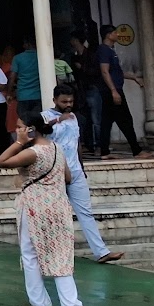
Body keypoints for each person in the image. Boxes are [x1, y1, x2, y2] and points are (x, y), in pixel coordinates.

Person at [0, 115, 90, 306]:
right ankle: (71, 301)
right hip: (58, 204)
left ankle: (39, 301)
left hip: (34, 206)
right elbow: (67, 177)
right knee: (61, 252)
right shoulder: (57, 148)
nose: (17, 130)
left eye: (20, 127)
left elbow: (1, 161)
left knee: (30, 254)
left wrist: (19, 143)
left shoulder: (32, 152)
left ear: (31, 129)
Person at [43, 84, 125, 264]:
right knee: (54, 214)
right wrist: (58, 120)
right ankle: (50, 252)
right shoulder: (45, 116)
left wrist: (81, 167)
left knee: (86, 212)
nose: (68, 104)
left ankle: (101, 252)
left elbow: (76, 143)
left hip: (75, 172)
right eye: (64, 101)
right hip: (53, 173)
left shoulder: (74, 118)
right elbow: (35, 133)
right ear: (54, 100)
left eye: (70, 101)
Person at [97, 24, 152, 159]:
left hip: (112, 90)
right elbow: (105, 72)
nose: (117, 35)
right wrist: (113, 91)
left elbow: (117, 72)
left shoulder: (111, 51)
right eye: (115, 33)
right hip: (112, 90)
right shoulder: (104, 50)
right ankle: (136, 150)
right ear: (108, 35)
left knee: (107, 121)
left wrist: (134, 77)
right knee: (125, 120)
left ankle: (104, 152)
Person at [65, 33, 103, 155]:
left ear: (77, 40)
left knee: (96, 119)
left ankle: (99, 145)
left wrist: (82, 68)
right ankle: (88, 144)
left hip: (92, 89)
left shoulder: (91, 55)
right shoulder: (74, 56)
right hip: (81, 91)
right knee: (85, 119)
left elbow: (96, 72)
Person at [7, 37, 46, 128]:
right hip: (38, 95)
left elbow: (12, 77)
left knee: (24, 123)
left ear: (27, 44)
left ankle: (25, 137)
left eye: (24, 44)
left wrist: (9, 93)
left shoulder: (17, 58)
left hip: (23, 96)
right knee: (37, 123)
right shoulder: (41, 56)